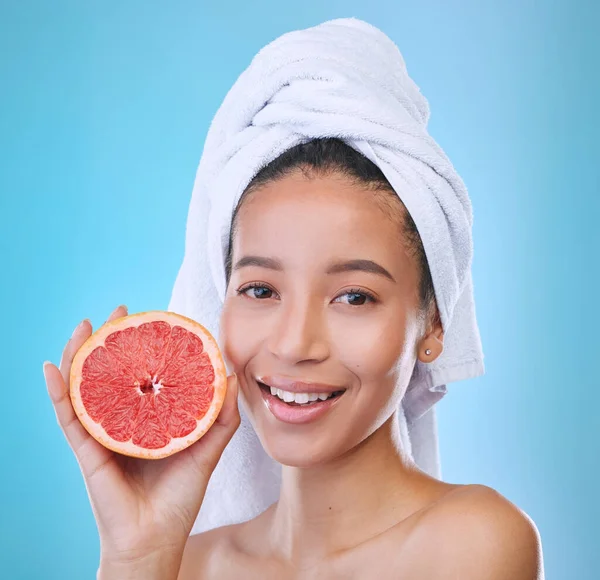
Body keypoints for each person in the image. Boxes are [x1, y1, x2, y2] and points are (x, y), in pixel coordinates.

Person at [43, 19, 544, 580]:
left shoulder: (472, 543)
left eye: (354, 296)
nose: (294, 344)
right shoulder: (189, 563)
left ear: (433, 325)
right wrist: (138, 556)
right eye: (261, 290)